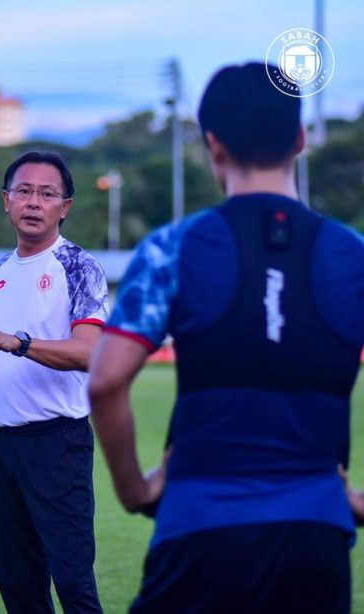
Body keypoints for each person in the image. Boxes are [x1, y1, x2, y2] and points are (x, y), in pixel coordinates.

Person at [87, 62, 364, 613]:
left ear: (213, 144)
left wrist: (135, 490)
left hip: (198, 525)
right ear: (300, 139)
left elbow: (105, 381)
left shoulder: (171, 249)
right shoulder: (353, 256)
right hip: (317, 536)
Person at [0, 150, 110, 614]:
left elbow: (89, 352)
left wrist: (19, 343)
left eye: (47, 194)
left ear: (65, 206)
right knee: (18, 585)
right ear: (6, 200)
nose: (34, 202)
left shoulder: (78, 266)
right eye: (25, 191)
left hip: (58, 443)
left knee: (73, 582)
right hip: (0, 445)